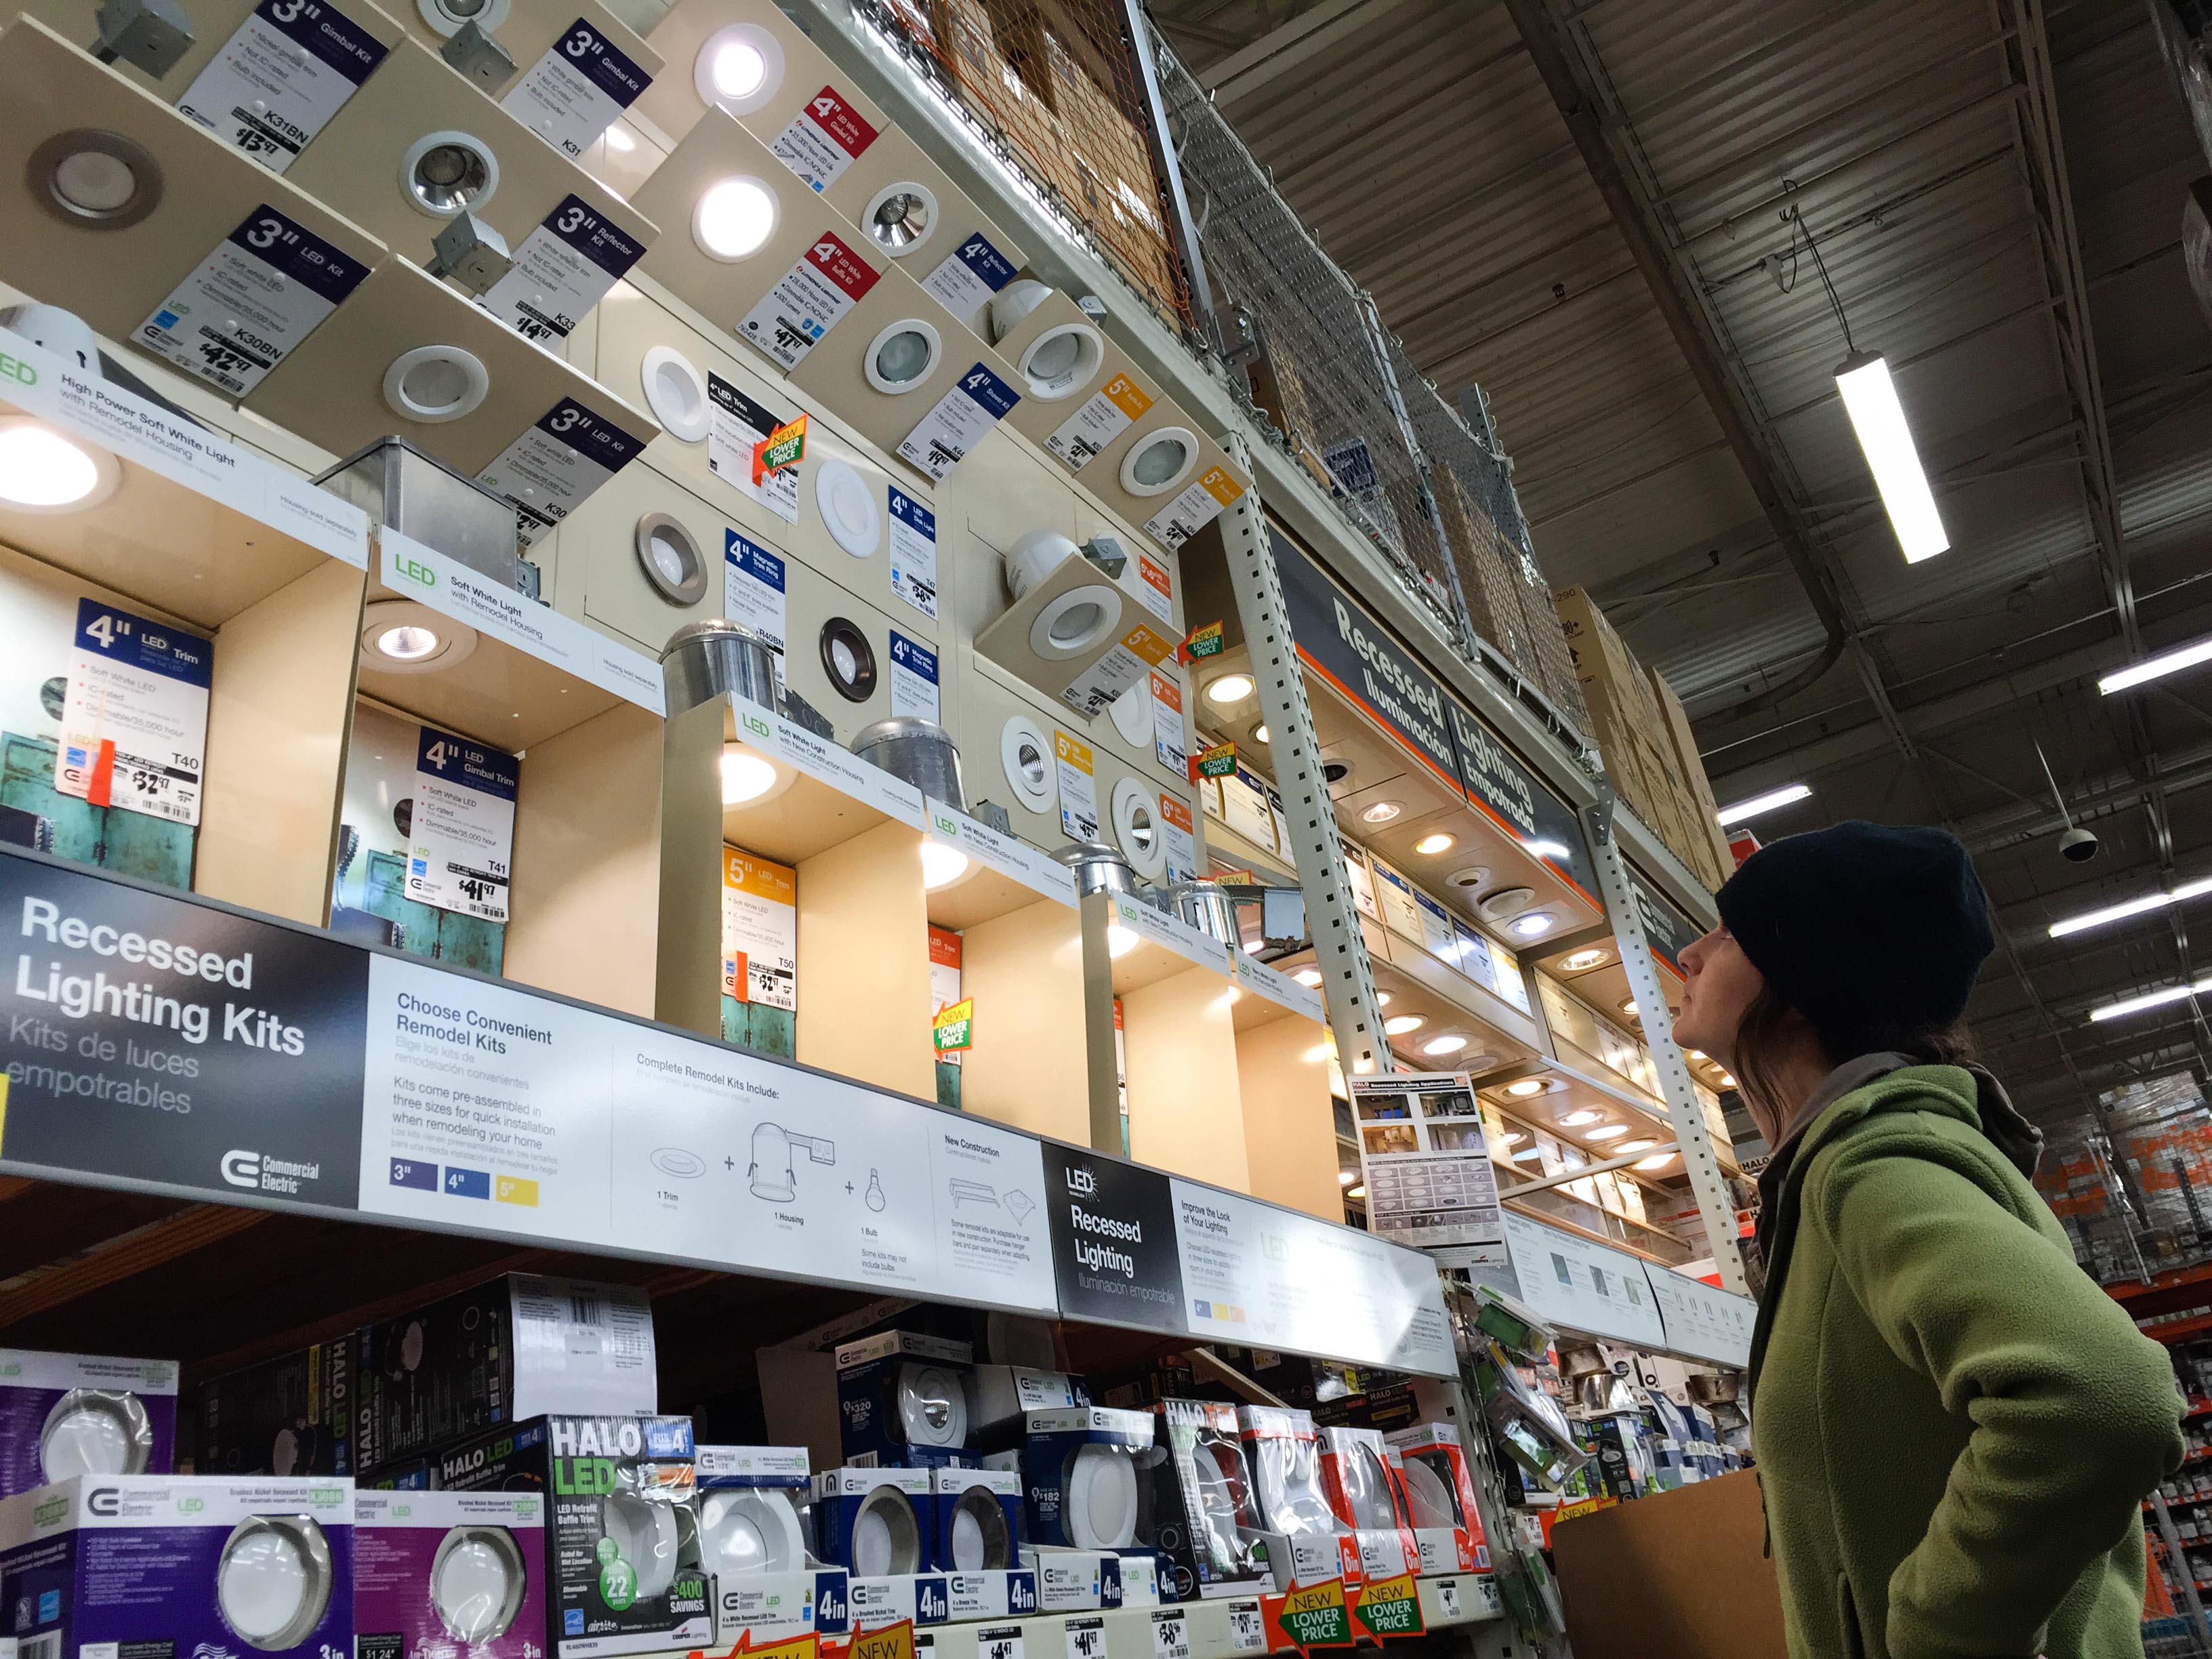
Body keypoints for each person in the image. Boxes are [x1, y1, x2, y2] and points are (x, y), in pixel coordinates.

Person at [1669, 820, 2184, 1659]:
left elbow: (2103, 1396)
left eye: (1728, 935)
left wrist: (1939, 1632)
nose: (1689, 954)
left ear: (1800, 984)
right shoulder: (1854, 1165)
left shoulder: (1871, 1167)